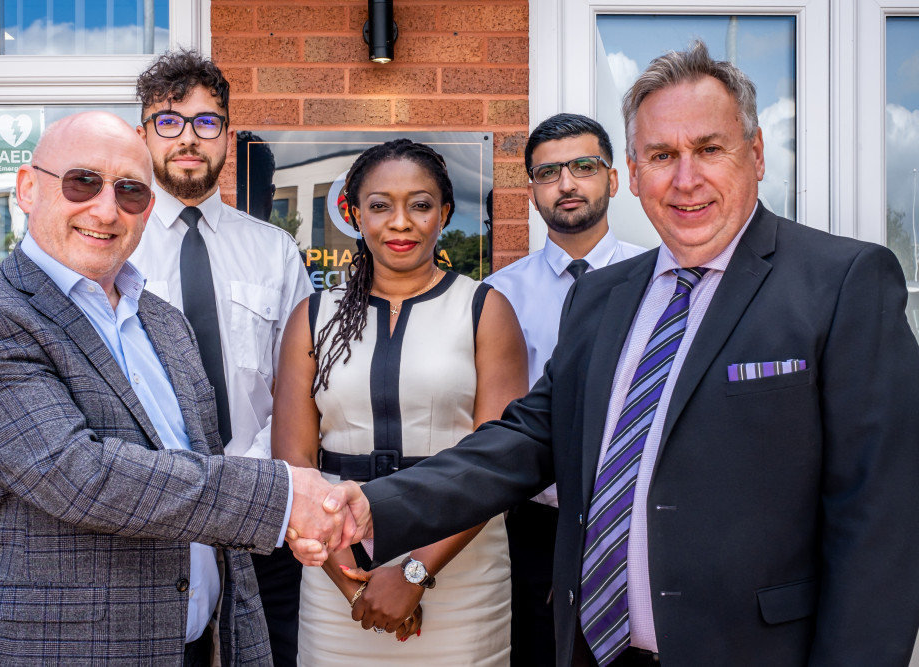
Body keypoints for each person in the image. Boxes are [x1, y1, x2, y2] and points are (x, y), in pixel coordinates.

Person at [314, 42, 919, 667]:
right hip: (595, 647)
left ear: (756, 154)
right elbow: (524, 441)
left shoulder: (842, 282)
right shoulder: (602, 296)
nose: (685, 179)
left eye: (709, 149)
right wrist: (373, 506)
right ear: (633, 172)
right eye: (662, 156)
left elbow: (880, 523)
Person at [0, 111, 350, 666]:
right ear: (29, 188)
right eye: (83, 182)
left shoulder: (164, 321)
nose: (106, 209)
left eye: (130, 193)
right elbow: (80, 477)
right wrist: (284, 498)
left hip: (197, 646)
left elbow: (201, 468)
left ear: (148, 211)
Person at [273, 138, 527, 665]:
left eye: (420, 204)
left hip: (461, 568)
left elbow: (500, 462)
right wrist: (354, 587)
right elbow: (295, 465)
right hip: (336, 570)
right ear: (354, 214)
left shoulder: (485, 309)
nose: (401, 222)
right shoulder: (312, 317)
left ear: (445, 214)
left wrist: (415, 573)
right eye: (380, 205)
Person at [129, 50, 313, 666]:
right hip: (149, 510)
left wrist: (255, 476)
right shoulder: (111, 248)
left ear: (227, 136)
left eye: (207, 123)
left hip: (259, 500)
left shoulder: (274, 251)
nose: (188, 138)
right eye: (169, 121)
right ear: (144, 134)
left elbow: (302, 384)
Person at [484, 113, 644, 667]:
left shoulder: (658, 280)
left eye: (583, 166)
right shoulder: (497, 295)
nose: (567, 183)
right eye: (548, 172)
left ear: (614, 178)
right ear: (531, 192)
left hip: (632, 515)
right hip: (535, 525)